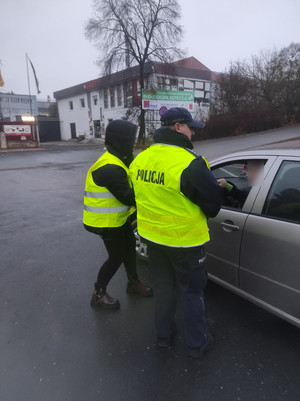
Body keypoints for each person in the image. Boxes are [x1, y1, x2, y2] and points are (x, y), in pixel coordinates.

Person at [129, 107, 222, 358]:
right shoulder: (190, 163)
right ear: (178, 127)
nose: (193, 133)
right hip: (186, 244)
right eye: (191, 128)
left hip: (153, 240)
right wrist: (217, 187)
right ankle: (197, 344)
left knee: (164, 289)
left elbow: (141, 194)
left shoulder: (141, 159)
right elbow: (213, 207)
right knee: (192, 292)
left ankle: (163, 338)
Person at [83, 120, 153, 309]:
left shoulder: (120, 157)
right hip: (105, 221)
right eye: (130, 140)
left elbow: (133, 169)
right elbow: (128, 197)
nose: (133, 144)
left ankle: (133, 283)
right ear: (121, 140)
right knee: (117, 256)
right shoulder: (110, 167)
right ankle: (98, 293)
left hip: (118, 218)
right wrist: (150, 186)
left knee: (130, 249)